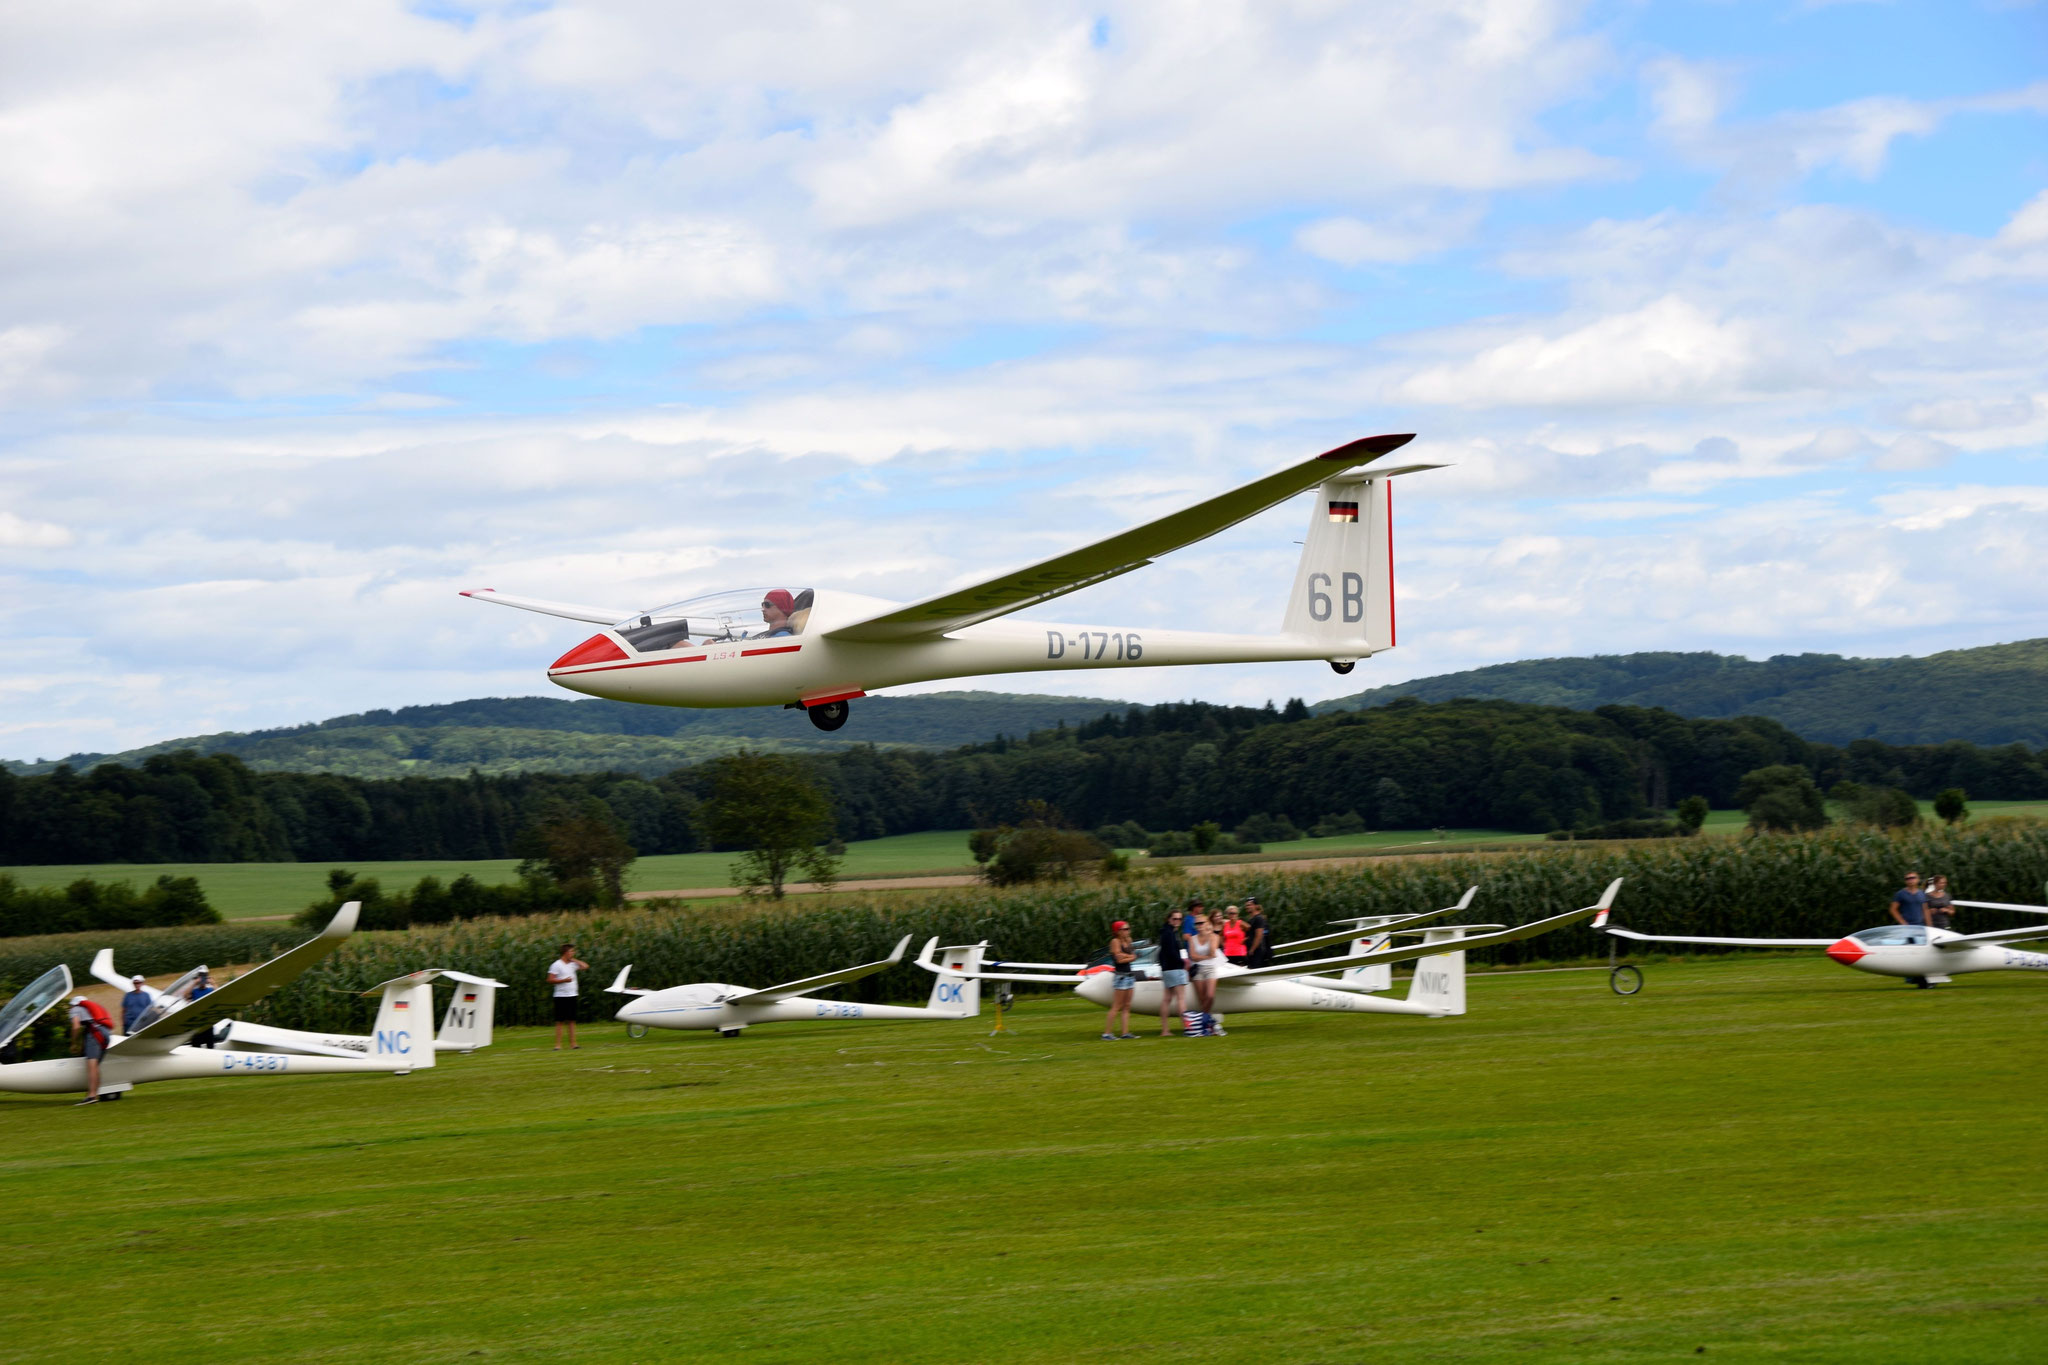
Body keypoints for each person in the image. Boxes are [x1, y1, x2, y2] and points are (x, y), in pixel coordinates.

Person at [68, 995, 112, 1103]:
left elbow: (76, 1026)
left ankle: (92, 1096)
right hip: (105, 1033)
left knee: (92, 1065)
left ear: (73, 1004)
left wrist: (73, 1043)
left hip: (94, 1034)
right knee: (95, 1066)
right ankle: (94, 1094)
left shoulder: (75, 1009)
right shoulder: (90, 1010)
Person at [1188, 913, 1224, 1036]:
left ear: (1207, 923)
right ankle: (1207, 1023)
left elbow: (1213, 952)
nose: (1199, 926)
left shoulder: (1213, 936)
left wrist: (1201, 957)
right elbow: (1192, 956)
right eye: (1197, 923)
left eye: (1201, 923)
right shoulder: (1192, 939)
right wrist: (1205, 957)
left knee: (1210, 995)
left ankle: (1204, 1022)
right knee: (1202, 998)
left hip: (1210, 968)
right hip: (1197, 969)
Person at [1155, 909, 1189, 1037]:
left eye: (1179, 919)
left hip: (1167, 969)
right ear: (1169, 919)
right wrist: (1182, 962)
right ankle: (1187, 1028)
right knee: (1181, 998)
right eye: (1174, 919)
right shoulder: (1169, 934)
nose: (1177, 921)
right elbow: (1171, 952)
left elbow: (1162, 953)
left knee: (1167, 999)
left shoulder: (1166, 932)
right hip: (1175, 968)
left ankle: (1165, 1030)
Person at [548, 944, 589, 1050]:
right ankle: (557, 1045)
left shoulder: (572, 964)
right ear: (565, 953)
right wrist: (563, 980)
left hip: (572, 995)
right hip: (560, 996)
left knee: (571, 1020)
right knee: (560, 1021)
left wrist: (574, 959)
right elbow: (550, 979)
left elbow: (585, 966)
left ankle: (573, 1044)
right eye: (571, 951)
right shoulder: (556, 965)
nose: (573, 953)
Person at [1102, 920, 1137, 1040]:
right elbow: (1118, 959)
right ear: (1117, 931)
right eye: (1124, 929)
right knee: (1116, 1006)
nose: (1127, 931)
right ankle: (1107, 1033)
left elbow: (1134, 956)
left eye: (1128, 929)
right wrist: (1129, 957)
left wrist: (1126, 956)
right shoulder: (1115, 942)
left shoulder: (1129, 940)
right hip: (1121, 976)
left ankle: (1125, 1032)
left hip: (1129, 975)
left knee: (1127, 1005)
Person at [186, 970, 218, 1047]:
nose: (202, 981)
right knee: (196, 1046)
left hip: (208, 1023)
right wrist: (194, 983)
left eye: (204, 979)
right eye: (201, 979)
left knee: (210, 1046)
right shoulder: (194, 991)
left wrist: (212, 983)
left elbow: (219, 994)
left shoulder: (210, 990)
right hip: (197, 1024)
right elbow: (185, 995)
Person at [1243, 896, 1272, 968]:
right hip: (1254, 952)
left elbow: (1259, 936)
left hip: (1258, 952)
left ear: (1256, 906)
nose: (1247, 907)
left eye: (1249, 905)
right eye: (1246, 905)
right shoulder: (1251, 920)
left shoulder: (1259, 919)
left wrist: (1252, 950)